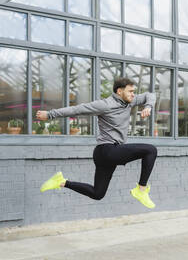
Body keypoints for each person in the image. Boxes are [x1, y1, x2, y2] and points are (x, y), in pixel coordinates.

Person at [37, 77, 157, 208]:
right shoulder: (105, 105)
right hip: (108, 150)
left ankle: (61, 182)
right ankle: (141, 190)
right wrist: (50, 114)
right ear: (119, 91)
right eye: (130, 91)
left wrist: (148, 106)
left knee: (97, 193)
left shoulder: (129, 101)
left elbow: (149, 95)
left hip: (104, 155)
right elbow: (78, 109)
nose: (133, 94)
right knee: (151, 150)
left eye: (134, 91)